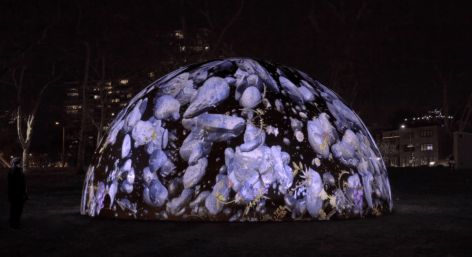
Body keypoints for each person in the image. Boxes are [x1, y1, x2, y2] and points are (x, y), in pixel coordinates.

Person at [7, 157, 29, 230]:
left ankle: (13, 225)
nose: (22, 163)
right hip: (17, 195)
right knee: (16, 210)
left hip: (15, 194)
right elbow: (18, 185)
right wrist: (23, 194)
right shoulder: (16, 172)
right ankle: (15, 225)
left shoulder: (13, 171)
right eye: (21, 162)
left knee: (15, 210)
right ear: (17, 163)